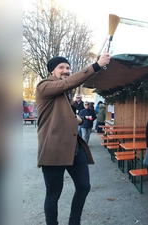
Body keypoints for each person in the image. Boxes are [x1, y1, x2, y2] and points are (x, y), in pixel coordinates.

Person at [35, 52, 110, 225]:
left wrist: (79, 119)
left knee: (84, 187)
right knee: (53, 194)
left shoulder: (65, 93)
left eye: (68, 68)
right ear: (51, 71)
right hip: (53, 151)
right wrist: (96, 65)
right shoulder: (43, 86)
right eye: (61, 67)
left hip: (74, 149)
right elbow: (68, 82)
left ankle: (74, 222)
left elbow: (63, 115)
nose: (66, 70)